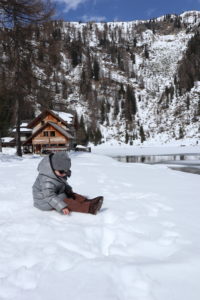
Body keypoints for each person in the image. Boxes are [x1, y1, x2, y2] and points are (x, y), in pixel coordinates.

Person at [32, 151, 103, 215]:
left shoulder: (56, 173)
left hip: (56, 194)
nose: (64, 174)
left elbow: (61, 183)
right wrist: (62, 207)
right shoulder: (47, 180)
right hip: (44, 201)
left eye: (66, 171)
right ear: (53, 169)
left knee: (71, 194)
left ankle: (88, 202)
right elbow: (49, 196)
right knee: (67, 202)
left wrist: (68, 190)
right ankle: (90, 208)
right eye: (61, 172)